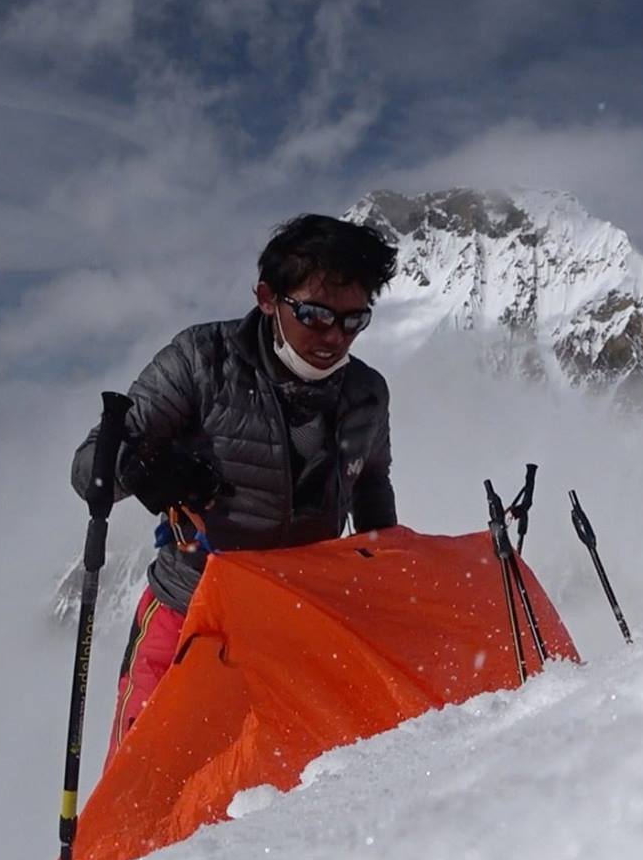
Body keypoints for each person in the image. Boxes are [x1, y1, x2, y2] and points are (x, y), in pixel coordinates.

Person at [73, 214, 400, 763]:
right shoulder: (202, 362)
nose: (333, 338)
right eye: (316, 315)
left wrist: (384, 571)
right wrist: (157, 472)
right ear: (268, 298)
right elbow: (91, 470)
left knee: (278, 793)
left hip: (300, 622)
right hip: (189, 617)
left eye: (353, 321)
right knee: (147, 783)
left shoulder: (366, 392)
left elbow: (371, 483)